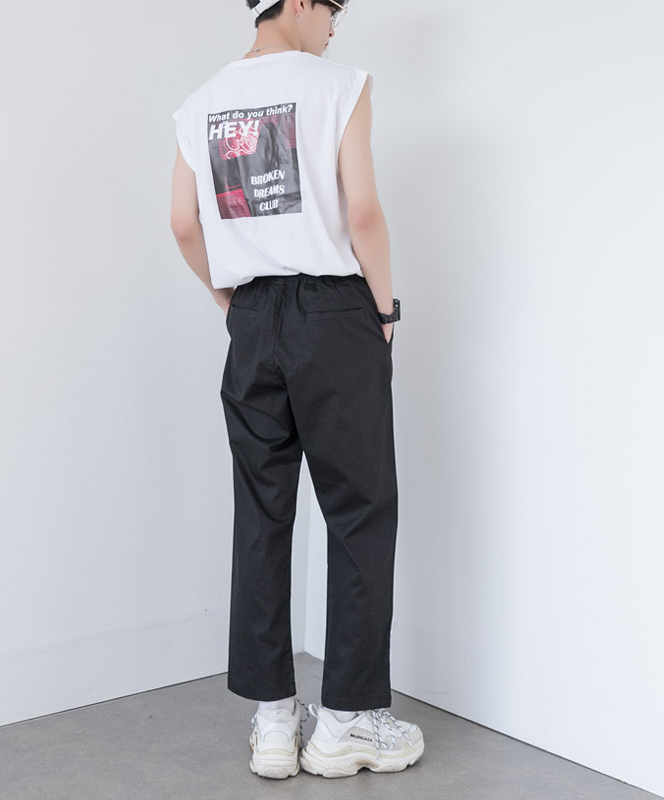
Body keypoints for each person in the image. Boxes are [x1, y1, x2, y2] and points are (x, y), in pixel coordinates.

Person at [170, 0, 423, 780]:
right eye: (334, 11)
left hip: (254, 321)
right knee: (359, 510)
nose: (336, 27)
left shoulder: (200, 102)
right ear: (304, 3)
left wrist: (232, 303)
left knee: (262, 511)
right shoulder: (339, 85)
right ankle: (345, 723)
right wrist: (384, 310)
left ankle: (274, 721)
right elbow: (363, 211)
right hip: (334, 315)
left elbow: (183, 223)